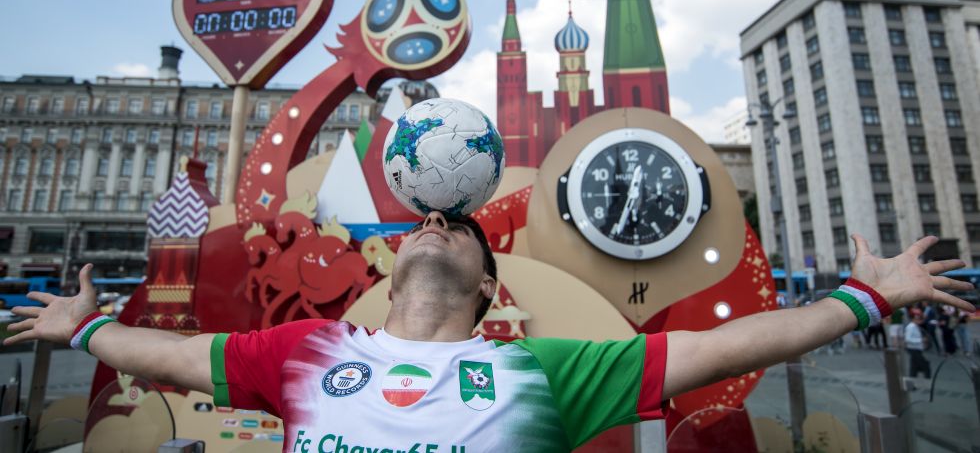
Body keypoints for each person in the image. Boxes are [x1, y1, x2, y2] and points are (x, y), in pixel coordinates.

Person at [3, 213, 975, 451]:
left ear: (484, 286)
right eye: (427, 220)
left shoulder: (540, 371)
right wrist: (84, 329)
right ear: (388, 272)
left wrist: (866, 296)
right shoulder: (302, 351)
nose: (440, 226)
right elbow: (169, 356)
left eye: (463, 231)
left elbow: (738, 344)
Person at [904, 310, 932, 379]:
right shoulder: (911, 327)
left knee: (914, 368)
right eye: (918, 318)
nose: (920, 320)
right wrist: (921, 340)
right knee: (925, 366)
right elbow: (908, 339)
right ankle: (928, 382)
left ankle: (911, 384)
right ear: (913, 318)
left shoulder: (915, 326)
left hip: (916, 349)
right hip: (914, 350)